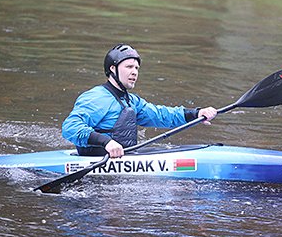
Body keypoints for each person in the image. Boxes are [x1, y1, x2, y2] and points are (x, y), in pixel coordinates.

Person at [62, 44, 217, 158]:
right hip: (96, 159)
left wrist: (196, 113)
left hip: (125, 156)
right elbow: (70, 127)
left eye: (136, 68)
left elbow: (161, 115)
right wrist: (106, 142)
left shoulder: (131, 101)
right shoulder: (97, 97)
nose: (134, 72)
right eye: (129, 66)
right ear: (112, 69)